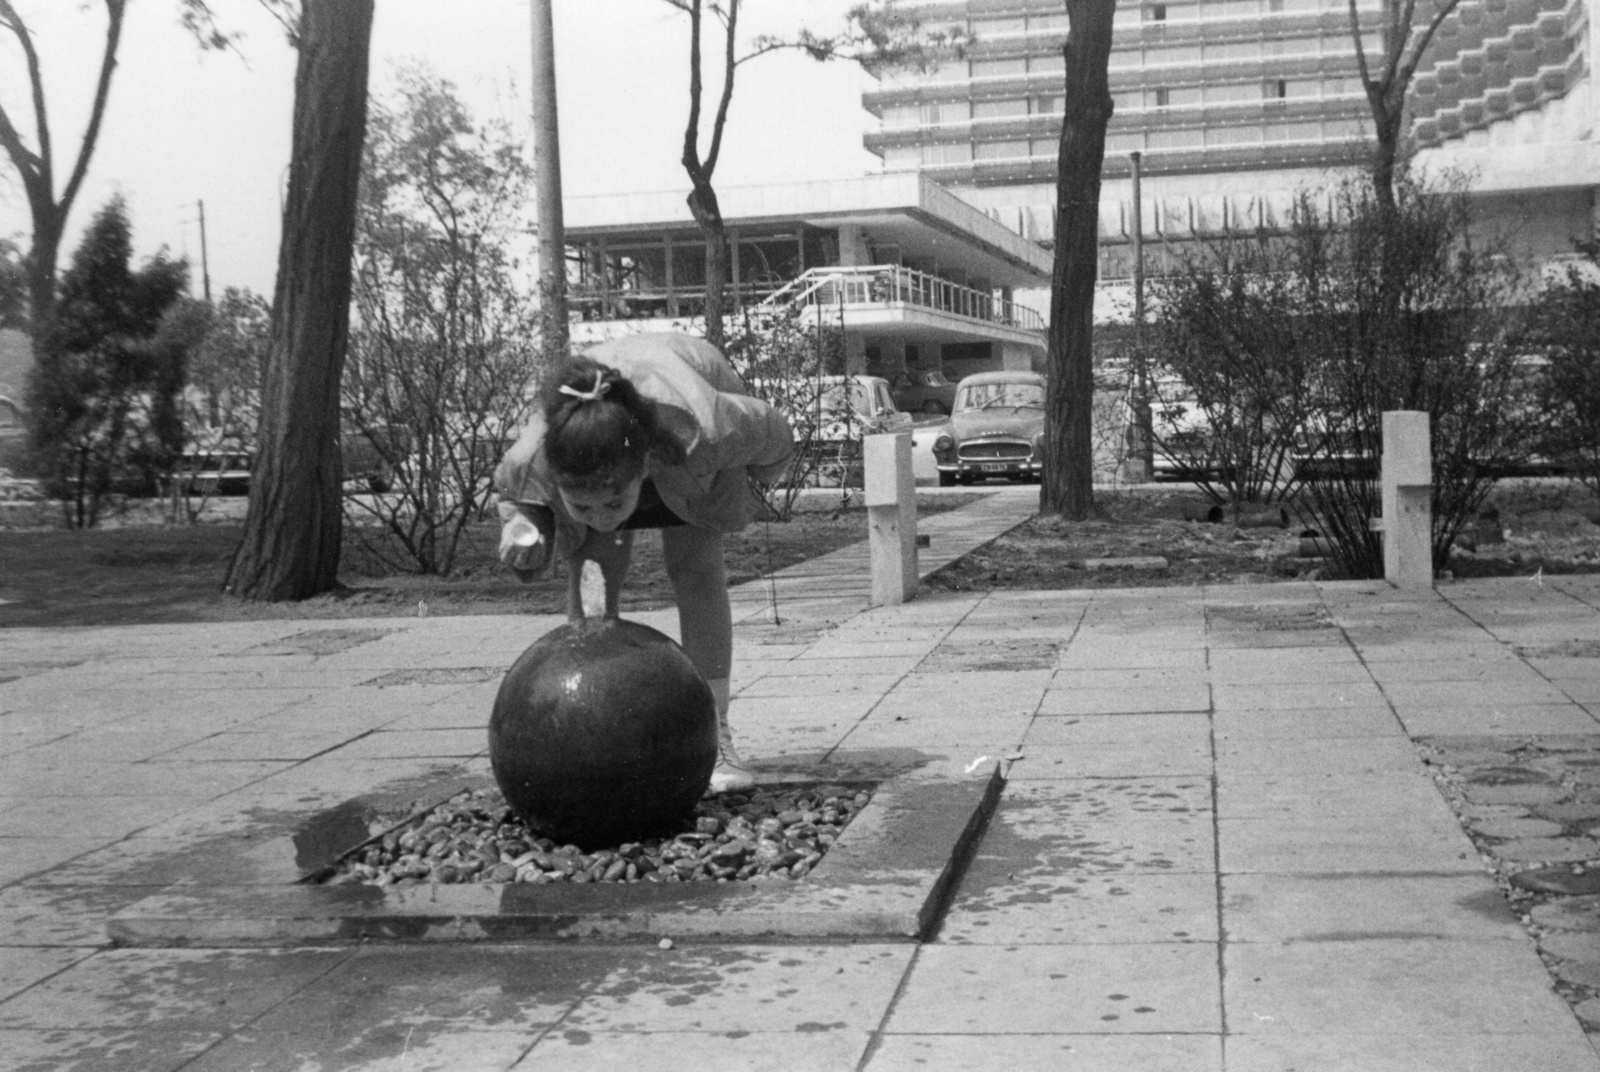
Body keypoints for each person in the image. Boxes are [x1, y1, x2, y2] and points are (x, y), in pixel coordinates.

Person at [494, 333, 794, 792]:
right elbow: (519, 500)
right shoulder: (535, 456)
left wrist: (756, 476)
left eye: (614, 504)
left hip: (687, 440)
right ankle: (586, 730)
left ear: (644, 466)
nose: (603, 520)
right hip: (607, 435)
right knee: (592, 589)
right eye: (584, 507)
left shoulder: (712, 428)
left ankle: (715, 737)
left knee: (696, 574)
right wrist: (524, 530)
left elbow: (776, 437)